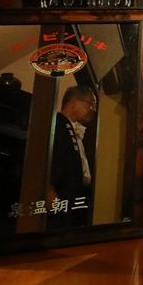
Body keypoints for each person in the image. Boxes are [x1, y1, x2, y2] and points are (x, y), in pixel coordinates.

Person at [50, 86, 98, 228]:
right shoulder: (58, 124)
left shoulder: (73, 128)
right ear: (73, 102)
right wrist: (50, 192)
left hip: (75, 200)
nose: (93, 109)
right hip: (61, 199)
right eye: (90, 104)